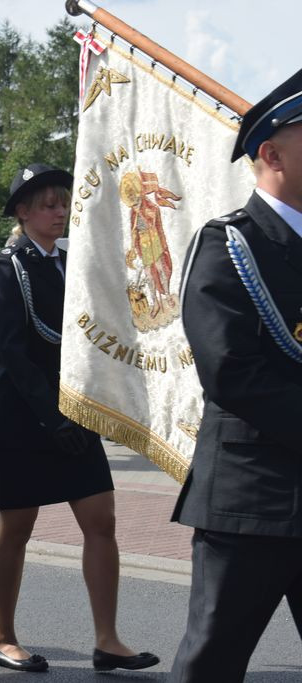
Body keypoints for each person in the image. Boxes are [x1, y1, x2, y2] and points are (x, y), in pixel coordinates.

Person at [0, 164, 156, 674]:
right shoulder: (6, 267)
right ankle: (2, 636)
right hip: (25, 417)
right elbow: (13, 353)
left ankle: (108, 640)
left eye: (63, 203)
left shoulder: (72, 262)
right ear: (22, 212)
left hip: (73, 411)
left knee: (102, 519)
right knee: (17, 527)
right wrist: (50, 415)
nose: (59, 212)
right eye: (48, 205)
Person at [170, 68, 302, 682]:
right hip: (254, 497)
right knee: (213, 662)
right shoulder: (230, 245)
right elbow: (232, 373)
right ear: (271, 154)